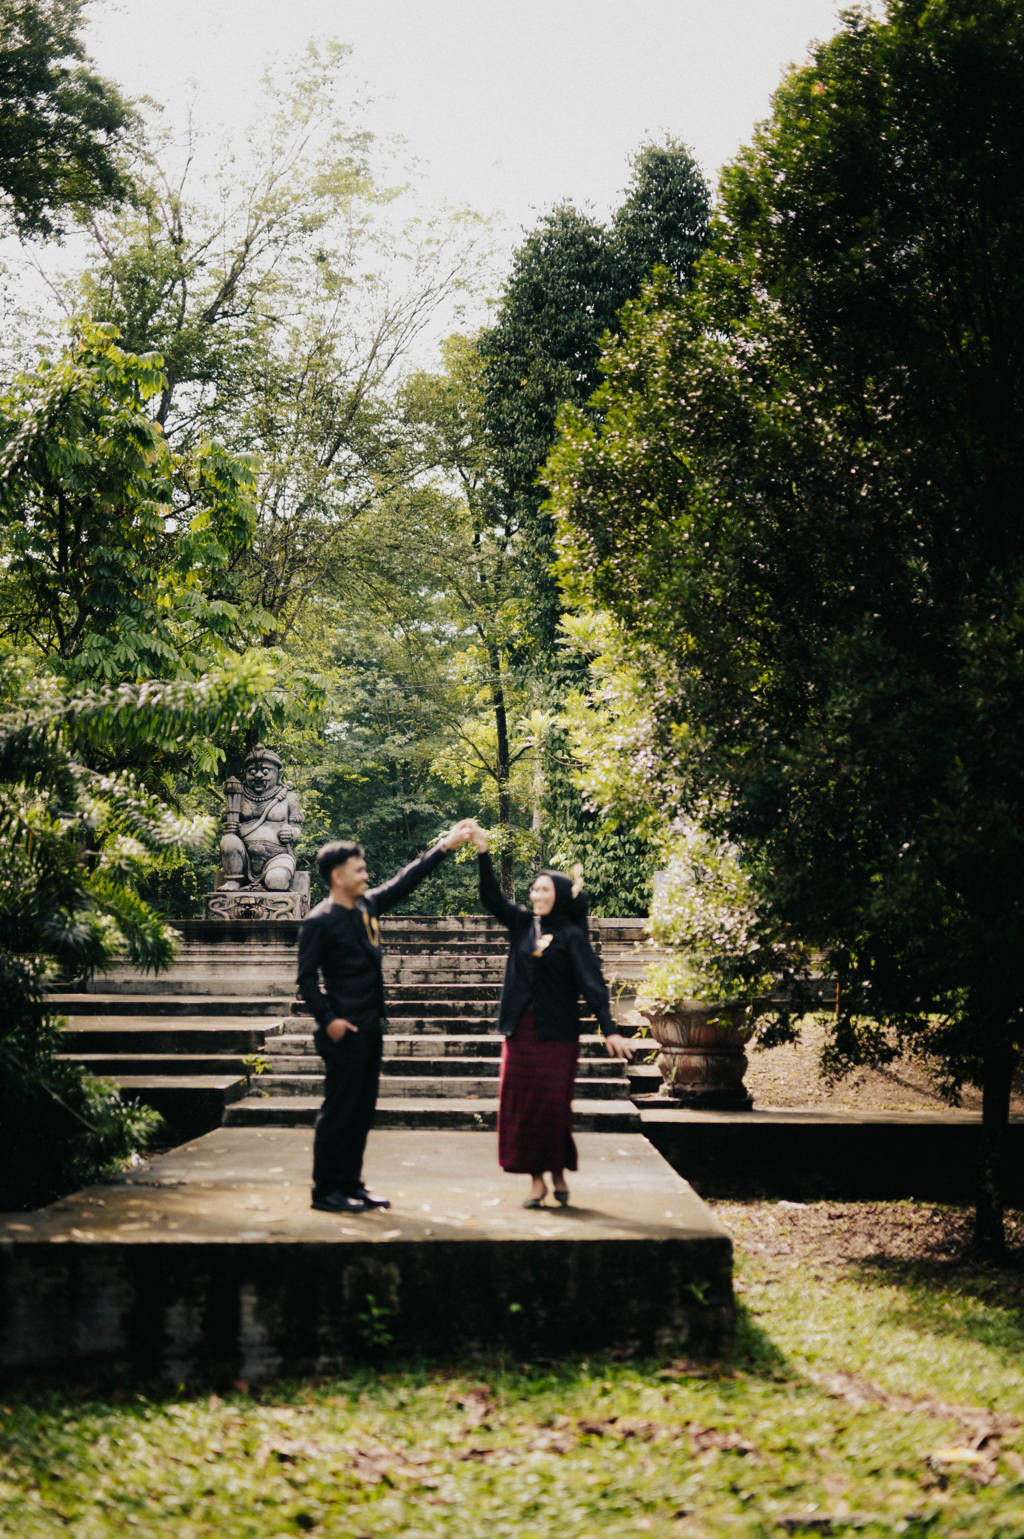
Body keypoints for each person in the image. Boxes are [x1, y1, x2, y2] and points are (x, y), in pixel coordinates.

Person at [298, 823, 472, 1213]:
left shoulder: (366, 907)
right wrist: (329, 1021)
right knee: (339, 1111)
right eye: (359, 870)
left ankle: (351, 1184)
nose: (366, 875)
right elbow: (306, 979)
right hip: (343, 1031)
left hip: (371, 1027)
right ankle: (325, 1190)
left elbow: (404, 881)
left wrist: (445, 847)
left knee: (362, 1111)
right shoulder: (319, 920)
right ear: (338, 876)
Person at [467, 821, 635, 1208]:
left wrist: (609, 1029)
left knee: (553, 1106)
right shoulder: (522, 925)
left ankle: (558, 1170)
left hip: (558, 1035)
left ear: (558, 895)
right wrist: (483, 852)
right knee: (522, 1106)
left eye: (544, 889)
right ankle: (537, 1182)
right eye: (534, 889)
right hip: (520, 1033)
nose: (536, 894)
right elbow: (491, 897)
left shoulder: (572, 935)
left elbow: (592, 984)